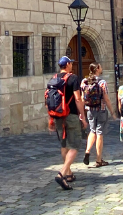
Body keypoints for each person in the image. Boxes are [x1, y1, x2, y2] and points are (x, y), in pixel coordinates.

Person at [49, 56, 88, 190]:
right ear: (68, 65)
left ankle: (69, 174)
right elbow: (77, 99)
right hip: (71, 115)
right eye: (71, 63)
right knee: (75, 145)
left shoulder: (54, 78)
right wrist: (82, 116)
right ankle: (62, 173)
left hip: (58, 116)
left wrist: (51, 119)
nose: (72, 65)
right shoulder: (73, 78)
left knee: (64, 143)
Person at [81, 63, 116, 167]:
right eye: (100, 66)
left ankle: (87, 151)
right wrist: (112, 112)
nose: (102, 68)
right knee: (99, 133)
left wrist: (82, 113)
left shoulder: (84, 81)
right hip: (101, 110)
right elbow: (106, 99)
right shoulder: (102, 82)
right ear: (97, 69)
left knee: (92, 131)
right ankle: (98, 159)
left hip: (90, 110)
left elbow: (83, 98)